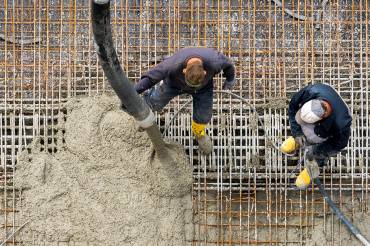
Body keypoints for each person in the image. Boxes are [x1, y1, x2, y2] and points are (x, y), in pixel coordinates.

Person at [134, 47, 236, 155]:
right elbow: (150, 78)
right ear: (184, 70)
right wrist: (133, 93)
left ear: (205, 72)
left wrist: (230, 80)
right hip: (174, 84)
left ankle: (198, 133)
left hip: (203, 88)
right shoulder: (172, 65)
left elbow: (229, 65)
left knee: (204, 115)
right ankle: (143, 116)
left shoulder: (215, 61)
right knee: (155, 102)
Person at [281, 83, 352, 189]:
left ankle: (313, 166)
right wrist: (297, 133)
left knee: (318, 152)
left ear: (322, 118)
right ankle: (298, 141)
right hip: (316, 124)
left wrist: (316, 151)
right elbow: (293, 106)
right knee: (301, 129)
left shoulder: (341, 124)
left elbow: (338, 145)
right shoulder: (312, 91)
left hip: (325, 134)